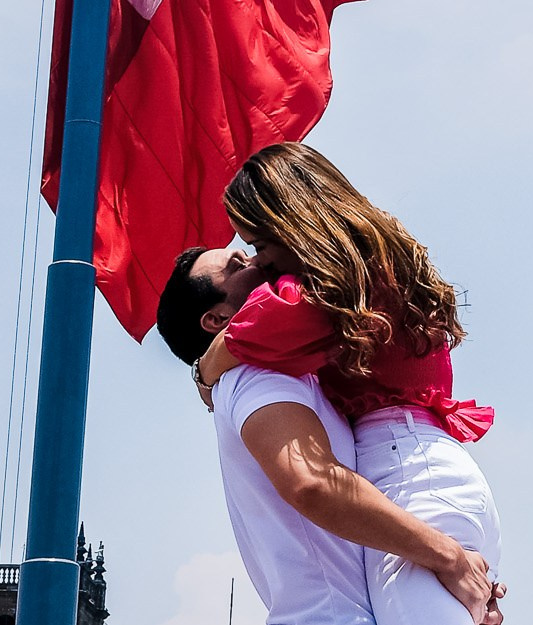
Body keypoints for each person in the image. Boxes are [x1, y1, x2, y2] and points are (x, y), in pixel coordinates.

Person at [190, 145, 503, 625]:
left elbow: (265, 324)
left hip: (407, 472)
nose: (262, 263)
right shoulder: (372, 257)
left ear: (286, 221)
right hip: (424, 467)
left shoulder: (332, 283)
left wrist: (207, 366)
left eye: (258, 244)